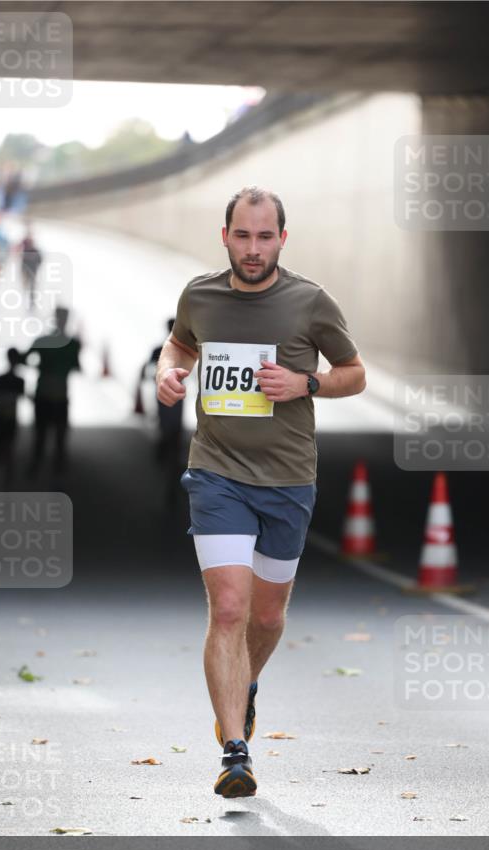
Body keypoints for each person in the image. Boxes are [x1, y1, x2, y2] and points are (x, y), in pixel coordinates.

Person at [156, 186, 366, 798]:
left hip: (288, 480)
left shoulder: (310, 302)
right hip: (217, 473)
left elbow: (354, 375)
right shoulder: (200, 294)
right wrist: (169, 372)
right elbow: (181, 342)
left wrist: (306, 383)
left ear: (281, 238)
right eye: (242, 236)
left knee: (267, 618)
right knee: (228, 609)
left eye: (264, 236)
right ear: (225, 237)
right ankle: (234, 750)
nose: (253, 249)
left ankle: (241, 688)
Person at [24, 306, 81, 475]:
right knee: (58, 436)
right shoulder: (72, 344)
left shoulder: (42, 341)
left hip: (44, 393)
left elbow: (23, 358)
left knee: (41, 434)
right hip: (60, 395)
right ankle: (57, 469)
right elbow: (77, 366)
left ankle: (37, 466)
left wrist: (40, 366)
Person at [142, 319, 185, 502]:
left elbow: (144, 370)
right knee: (173, 428)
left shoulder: (159, 349)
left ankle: (165, 450)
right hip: (177, 395)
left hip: (164, 394)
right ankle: (170, 451)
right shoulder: (183, 350)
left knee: (166, 425)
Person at [0, 348, 26, 485]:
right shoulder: (18, 381)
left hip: (1, 417)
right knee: (6, 448)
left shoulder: (1, 379)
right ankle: (6, 479)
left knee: (3, 449)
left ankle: (5, 478)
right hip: (9, 418)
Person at [17, 227, 42, 309]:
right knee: (27, 285)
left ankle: (31, 301)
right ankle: (27, 299)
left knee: (32, 287)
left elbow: (40, 260)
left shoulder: (36, 251)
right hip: (27, 272)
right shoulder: (25, 252)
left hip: (33, 272)